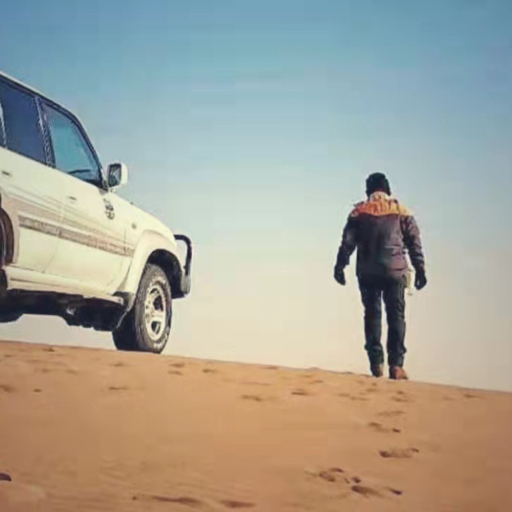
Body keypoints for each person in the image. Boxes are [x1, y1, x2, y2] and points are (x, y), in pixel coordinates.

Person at [334, 173, 427, 380]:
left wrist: (340, 266)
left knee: (372, 315)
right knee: (396, 317)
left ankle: (376, 363)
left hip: (367, 273)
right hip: (395, 272)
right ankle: (396, 365)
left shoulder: (358, 212)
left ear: (368, 190)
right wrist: (420, 269)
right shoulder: (402, 211)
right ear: (388, 190)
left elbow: (347, 243)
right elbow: (414, 243)